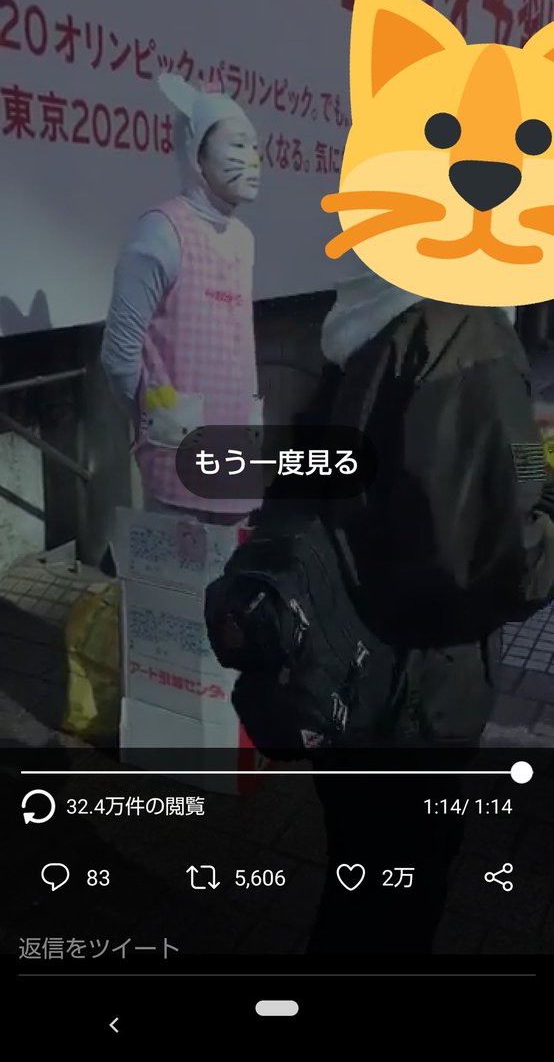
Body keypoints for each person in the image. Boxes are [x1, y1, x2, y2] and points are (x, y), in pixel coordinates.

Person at [303, 269, 554, 955]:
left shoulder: (361, 310)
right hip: (417, 684)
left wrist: (520, 456)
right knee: (402, 891)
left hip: (342, 662)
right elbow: (509, 561)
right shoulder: (470, 331)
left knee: (357, 875)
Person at [101, 74, 263, 526]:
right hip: (177, 467)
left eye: (255, 149)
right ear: (196, 156)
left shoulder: (243, 239)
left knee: (235, 568)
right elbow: (119, 355)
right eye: (237, 147)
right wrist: (157, 418)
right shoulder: (161, 231)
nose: (253, 160)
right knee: (180, 571)